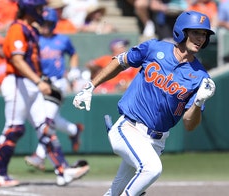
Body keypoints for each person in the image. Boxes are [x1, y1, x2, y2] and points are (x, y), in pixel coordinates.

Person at [73, 10, 216, 195]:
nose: (201, 38)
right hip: (129, 128)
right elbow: (120, 62)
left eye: (204, 34)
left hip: (157, 141)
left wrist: (198, 102)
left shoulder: (200, 76)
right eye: (196, 32)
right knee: (152, 170)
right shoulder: (154, 48)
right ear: (182, 31)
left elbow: (189, 124)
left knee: (116, 191)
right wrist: (91, 85)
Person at [0, 0, 89, 188]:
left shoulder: (31, 30)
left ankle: (63, 170)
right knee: (14, 129)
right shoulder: (17, 29)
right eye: (39, 8)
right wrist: (38, 81)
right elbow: (17, 61)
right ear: (29, 9)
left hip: (31, 83)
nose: (42, 12)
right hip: (18, 83)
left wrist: (41, 81)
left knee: (45, 128)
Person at [24, 7, 84, 171]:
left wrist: (73, 69)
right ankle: (73, 129)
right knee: (51, 119)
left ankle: (40, 155)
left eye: (48, 23)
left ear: (54, 23)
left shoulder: (62, 39)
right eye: (42, 22)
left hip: (58, 84)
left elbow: (73, 53)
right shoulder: (34, 39)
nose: (45, 26)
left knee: (47, 120)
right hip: (41, 83)